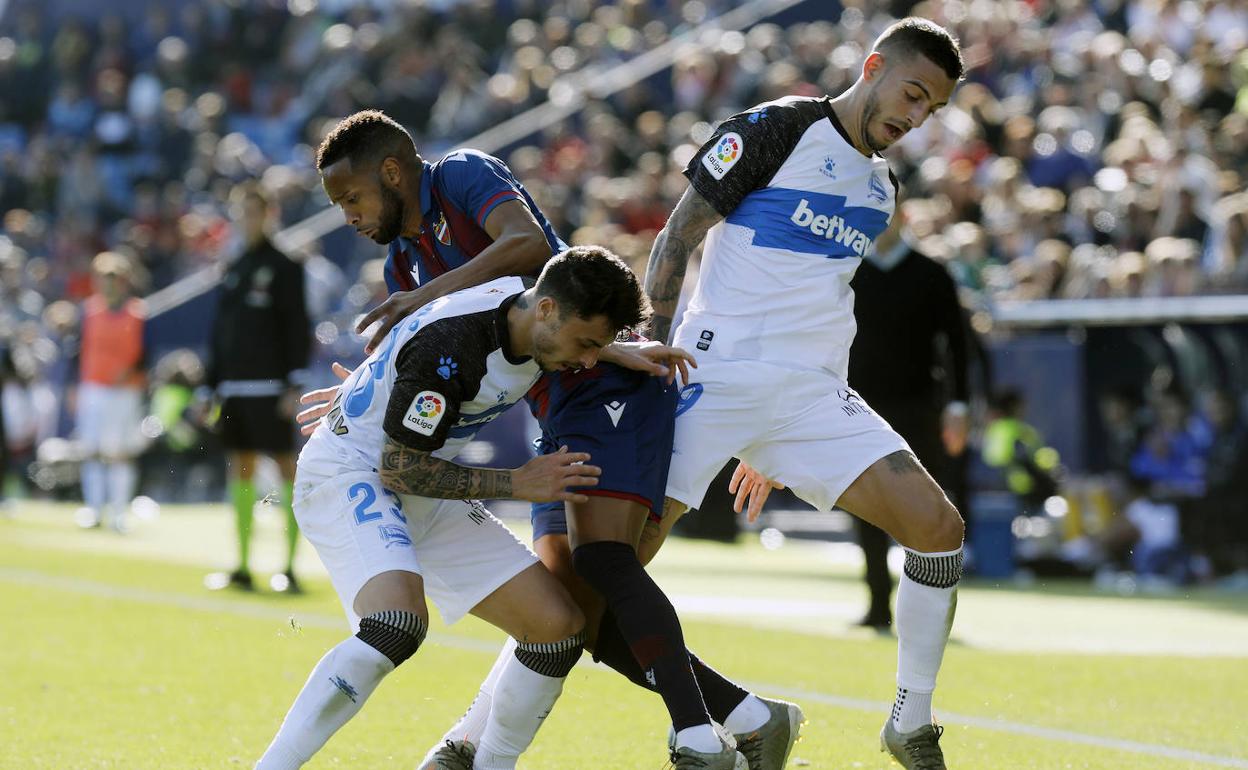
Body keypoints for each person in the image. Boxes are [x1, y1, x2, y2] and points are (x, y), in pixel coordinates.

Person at [304, 110, 794, 769]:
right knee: (564, 614)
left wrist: (425, 300)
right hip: (555, 403)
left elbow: (529, 244)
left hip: (596, 379)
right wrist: (363, 393)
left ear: (392, 173)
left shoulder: (462, 175)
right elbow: (419, 356)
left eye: (352, 198)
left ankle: (699, 738)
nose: (349, 216)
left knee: (601, 568)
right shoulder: (402, 264)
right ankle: (747, 717)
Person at [642, 18, 965, 769]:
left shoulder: (881, 189)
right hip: (710, 376)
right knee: (608, 576)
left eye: (932, 111)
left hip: (810, 397)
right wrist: (653, 340)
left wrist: (778, 440)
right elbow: (676, 236)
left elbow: (818, 301)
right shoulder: (776, 129)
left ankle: (910, 724)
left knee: (938, 529)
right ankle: (473, 740)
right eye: (913, 94)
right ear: (874, 66)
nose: (915, 117)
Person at [257, 248, 685, 770]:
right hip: (353, 473)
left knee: (556, 629)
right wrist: (517, 484)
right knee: (395, 623)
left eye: (599, 346)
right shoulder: (455, 348)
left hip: (425, 478)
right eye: (587, 344)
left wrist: (615, 350)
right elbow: (397, 468)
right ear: (547, 310)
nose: (589, 360)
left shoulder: (536, 313)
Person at [847, 202, 971, 631]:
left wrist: (959, 405)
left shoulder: (931, 275)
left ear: (903, 218)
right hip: (858, 406)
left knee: (923, 509)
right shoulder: (848, 271)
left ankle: (924, 609)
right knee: (865, 506)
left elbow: (958, 344)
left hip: (920, 407)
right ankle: (878, 602)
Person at [205, 182, 312, 593]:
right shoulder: (233, 267)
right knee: (240, 468)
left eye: (254, 211)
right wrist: (210, 386)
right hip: (233, 388)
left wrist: (294, 383)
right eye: (241, 212)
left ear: (270, 215)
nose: (247, 219)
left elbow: (296, 325)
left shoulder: (285, 266)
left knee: (287, 468)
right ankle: (243, 566)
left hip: (270, 388)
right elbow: (219, 333)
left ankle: (289, 567)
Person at [75, 252, 147, 532]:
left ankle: (118, 513)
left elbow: (145, 353)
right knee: (92, 450)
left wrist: (129, 371)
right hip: (93, 388)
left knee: (120, 453)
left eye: (113, 279)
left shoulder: (138, 312)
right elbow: (81, 349)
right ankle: (94, 509)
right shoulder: (90, 310)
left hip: (125, 392)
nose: (108, 285)